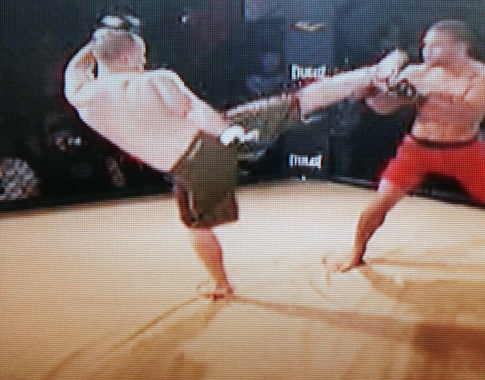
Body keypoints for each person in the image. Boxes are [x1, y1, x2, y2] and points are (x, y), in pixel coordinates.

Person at [64, 25, 405, 299]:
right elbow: (192, 109)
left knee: (198, 226)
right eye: (140, 55)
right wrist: (227, 131)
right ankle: (373, 73)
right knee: (299, 102)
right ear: (127, 55)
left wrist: (95, 45)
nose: (143, 61)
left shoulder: (81, 96)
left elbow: (76, 69)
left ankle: (220, 283)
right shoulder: (154, 80)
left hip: (182, 166)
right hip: (208, 143)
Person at [333, 20, 485, 273]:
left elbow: (467, 114)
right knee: (381, 201)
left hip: (464, 150)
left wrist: (419, 97)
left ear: (461, 47)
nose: (426, 51)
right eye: (425, 45)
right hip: (417, 149)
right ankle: (357, 251)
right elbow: (383, 108)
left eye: (435, 46)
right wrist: (372, 92)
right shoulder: (415, 73)